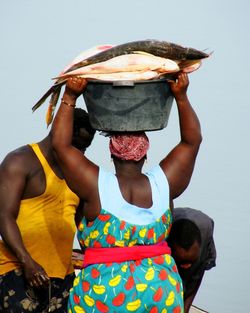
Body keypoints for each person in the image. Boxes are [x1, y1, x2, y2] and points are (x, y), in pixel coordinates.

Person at [51, 72, 202, 312]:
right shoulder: (164, 183)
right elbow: (191, 142)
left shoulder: (95, 185)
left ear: (112, 154)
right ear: (145, 154)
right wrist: (181, 97)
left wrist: (70, 96)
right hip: (160, 293)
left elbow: (60, 146)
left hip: (104, 296)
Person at [0, 108, 95, 313]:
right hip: (17, 271)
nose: (78, 154)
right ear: (59, 133)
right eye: (75, 146)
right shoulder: (20, 161)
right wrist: (27, 261)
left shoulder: (77, 172)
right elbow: (4, 216)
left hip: (62, 277)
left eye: (83, 150)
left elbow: (79, 223)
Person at [167, 207, 216, 313]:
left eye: (190, 261)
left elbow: (198, 274)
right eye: (182, 262)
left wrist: (185, 309)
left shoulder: (206, 230)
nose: (187, 266)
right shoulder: (163, 231)